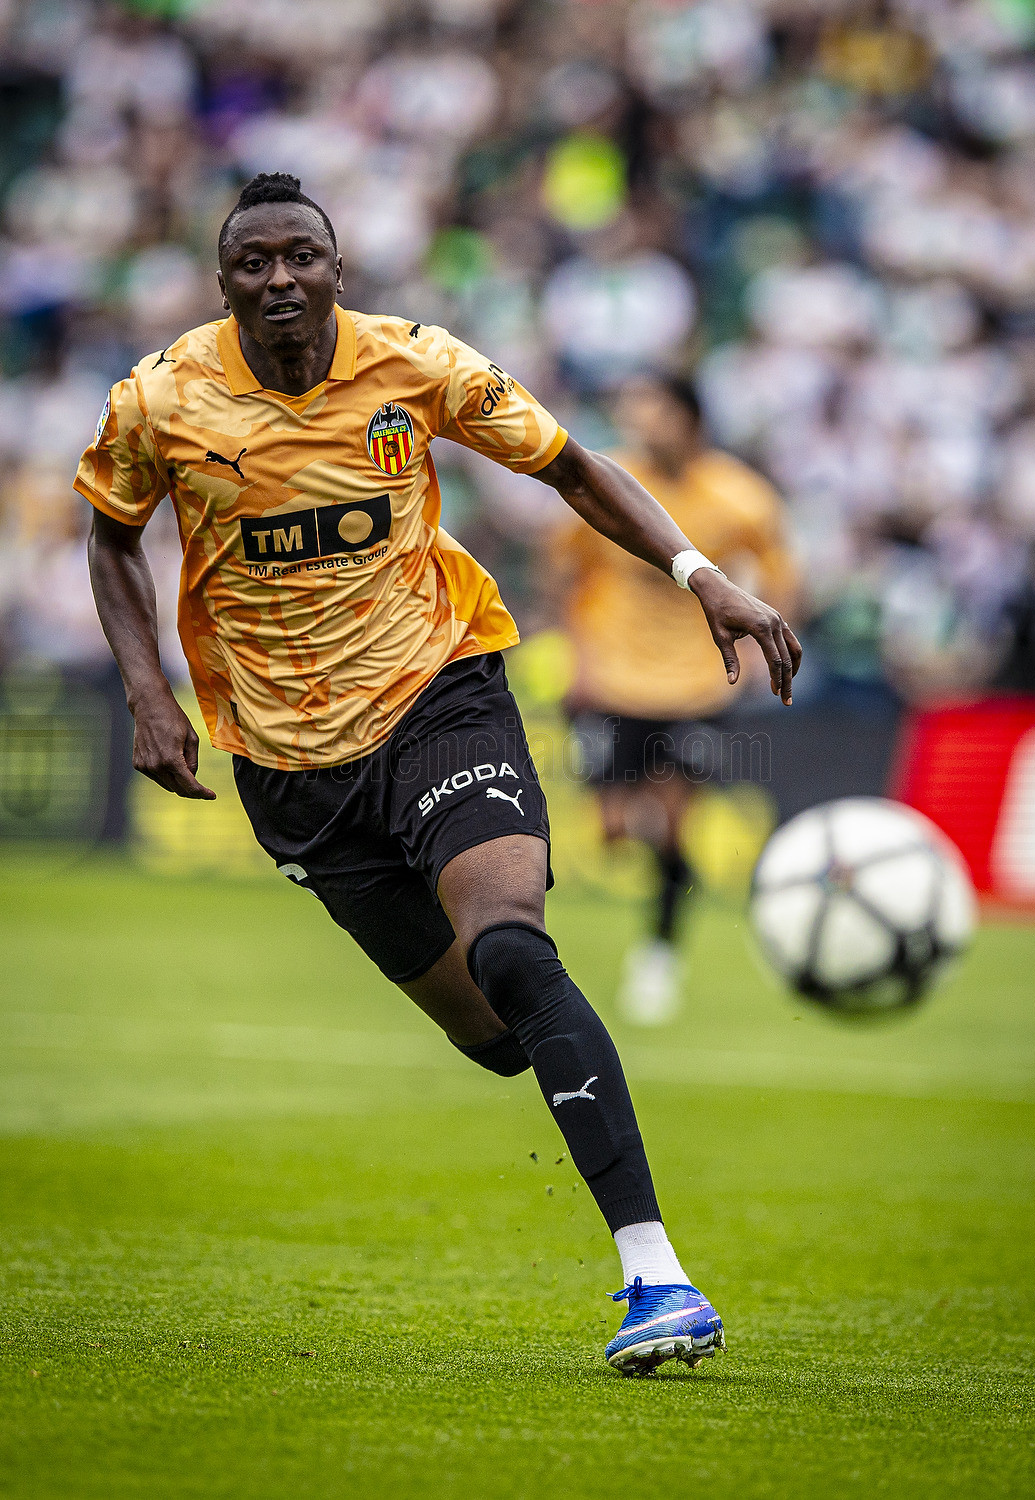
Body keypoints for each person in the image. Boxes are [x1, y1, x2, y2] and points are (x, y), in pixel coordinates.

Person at [76, 173, 801, 1376]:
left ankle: (655, 1277)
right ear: (223, 283)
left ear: (337, 268)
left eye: (301, 256)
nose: (280, 279)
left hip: (438, 694)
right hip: (290, 764)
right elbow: (110, 536)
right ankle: (557, 1070)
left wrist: (698, 573)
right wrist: (148, 692)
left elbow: (572, 468)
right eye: (253, 262)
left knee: (512, 947)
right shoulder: (158, 398)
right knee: (496, 1034)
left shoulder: (416, 364)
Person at [557, 375, 798, 1023]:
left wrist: (758, 652)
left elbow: (780, 577)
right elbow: (570, 571)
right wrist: (579, 654)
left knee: (670, 823)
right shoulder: (609, 480)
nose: (639, 421)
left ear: (689, 419)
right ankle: (644, 848)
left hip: (695, 684)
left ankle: (658, 957)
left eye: (653, 410)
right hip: (615, 679)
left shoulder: (740, 497)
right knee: (612, 832)